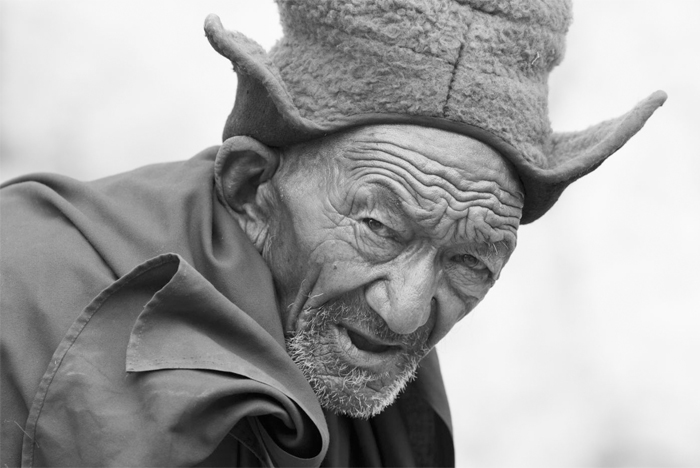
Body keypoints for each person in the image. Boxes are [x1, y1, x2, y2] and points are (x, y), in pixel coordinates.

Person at [0, 1, 666, 466]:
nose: (406, 313)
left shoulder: (374, 388)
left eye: (469, 262)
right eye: (377, 227)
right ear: (251, 186)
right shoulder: (26, 286)